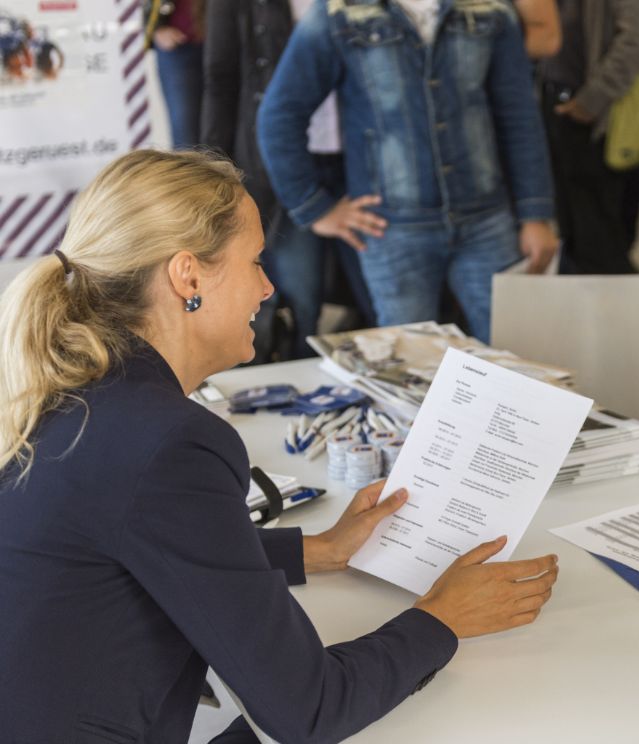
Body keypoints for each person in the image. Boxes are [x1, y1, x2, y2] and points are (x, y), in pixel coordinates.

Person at [0, 150, 559, 742]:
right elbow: (308, 710)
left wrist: (315, 550)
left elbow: (137, 542)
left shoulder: (65, 390)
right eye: (255, 261)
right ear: (187, 276)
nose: (268, 287)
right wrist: (443, 617)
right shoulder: (169, 441)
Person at [257, 0, 558, 344]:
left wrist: (536, 213)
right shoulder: (340, 13)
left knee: (520, 357)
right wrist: (315, 208)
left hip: (488, 222)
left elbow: (518, 114)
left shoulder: (490, 8)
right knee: (410, 370)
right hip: (391, 230)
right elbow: (279, 114)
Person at [202, 0, 374, 360]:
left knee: (374, 301)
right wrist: (210, 172)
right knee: (300, 302)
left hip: (360, 161)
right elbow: (221, 78)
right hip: (281, 166)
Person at [537, 0, 639, 275]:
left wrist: (593, 99)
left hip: (599, 119)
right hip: (556, 102)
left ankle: (627, 309)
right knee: (574, 230)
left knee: (600, 240)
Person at [146, 0, 205, 148]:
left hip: (232, 37)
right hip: (181, 44)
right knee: (187, 136)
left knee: (236, 128)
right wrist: (158, 26)